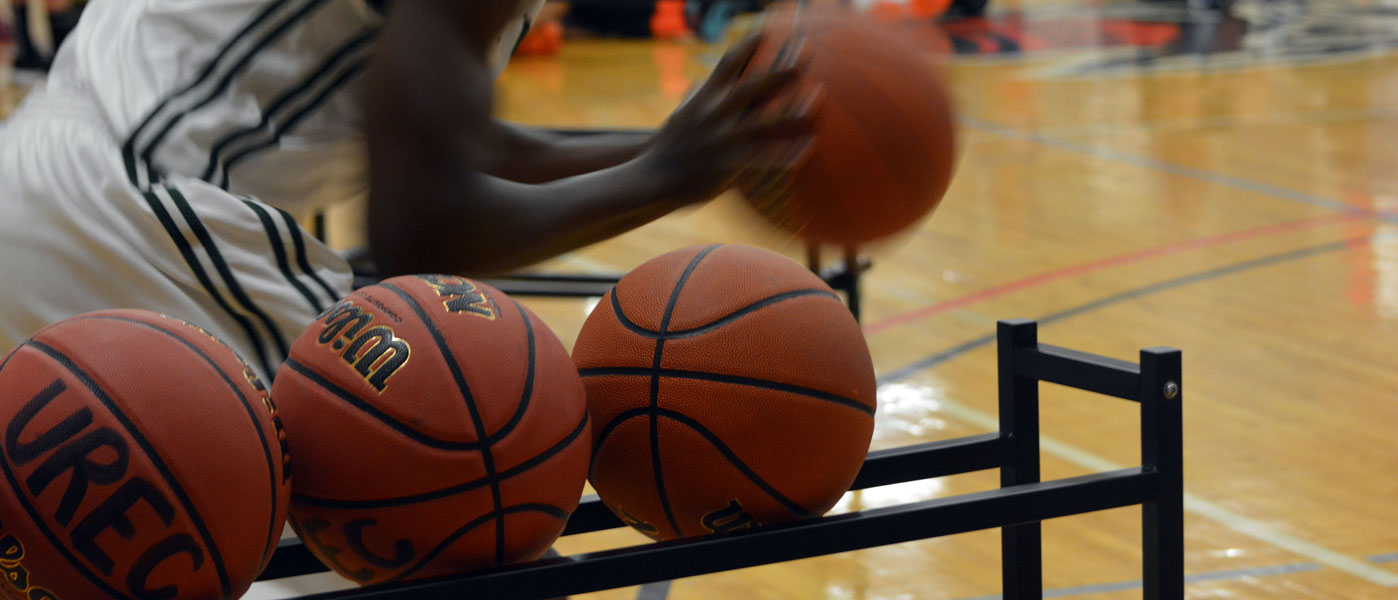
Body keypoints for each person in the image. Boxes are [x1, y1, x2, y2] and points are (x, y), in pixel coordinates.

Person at [0, 0, 815, 380]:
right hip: (143, 218)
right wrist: (667, 175)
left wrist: (686, 151)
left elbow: (470, 147)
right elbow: (423, 232)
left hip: (50, 180)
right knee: (447, 511)